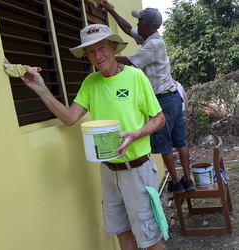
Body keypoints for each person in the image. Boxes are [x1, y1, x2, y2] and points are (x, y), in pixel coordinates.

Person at [20, 24, 166, 250]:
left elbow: (159, 119)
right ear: (86, 55)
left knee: (149, 236)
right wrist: (40, 88)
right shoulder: (91, 82)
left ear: (113, 47)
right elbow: (69, 118)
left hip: (136, 170)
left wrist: (136, 135)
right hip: (108, 170)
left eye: (102, 48)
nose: (98, 56)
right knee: (121, 231)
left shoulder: (135, 77)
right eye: (91, 51)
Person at [98, 2, 195, 194]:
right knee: (180, 141)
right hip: (173, 97)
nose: (137, 24)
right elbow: (127, 29)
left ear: (147, 25)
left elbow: (130, 61)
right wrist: (110, 10)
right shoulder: (149, 38)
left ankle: (176, 183)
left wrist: (104, 56)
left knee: (166, 144)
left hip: (163, 101)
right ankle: (188, 179)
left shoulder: (153, 44)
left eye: (139, 21)